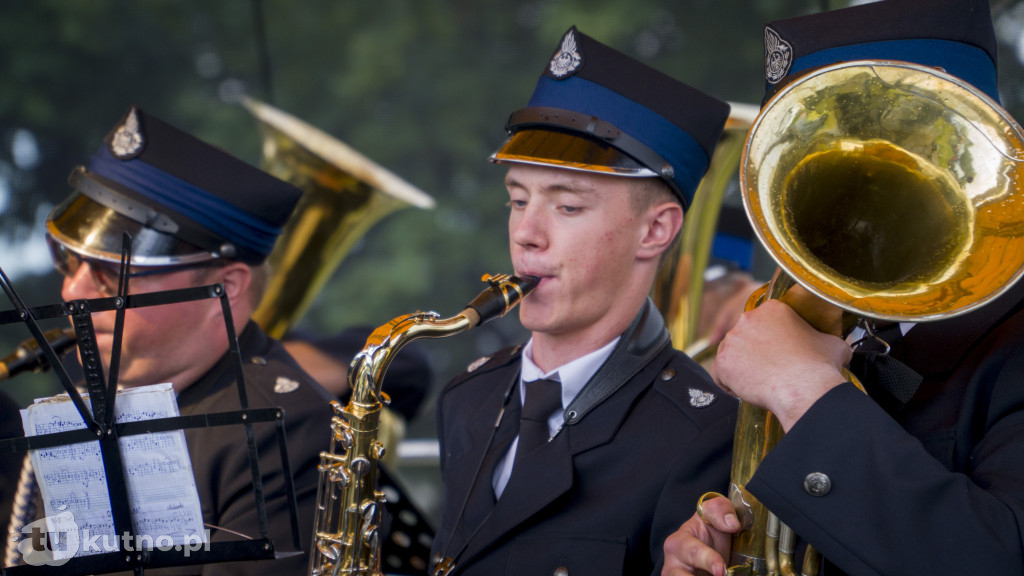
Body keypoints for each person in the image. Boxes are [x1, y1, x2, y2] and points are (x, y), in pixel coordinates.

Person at [663, 1, 1024, 575]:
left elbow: (995, 557)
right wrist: (705, 549)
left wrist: (805, 390)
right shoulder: (812, 331)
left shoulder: (1010, 342)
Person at [429, 26, 737, 575]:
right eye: (517, 200)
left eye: (567, 206)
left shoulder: (705, 433)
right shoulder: (467, 396)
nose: (526, 234)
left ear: (655, 230)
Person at [16, 106, 334, 574]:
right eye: (70, 259)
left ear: (226, 287)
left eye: (111, 270)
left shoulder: (287, 430)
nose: (72, 290)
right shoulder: (91, 404)